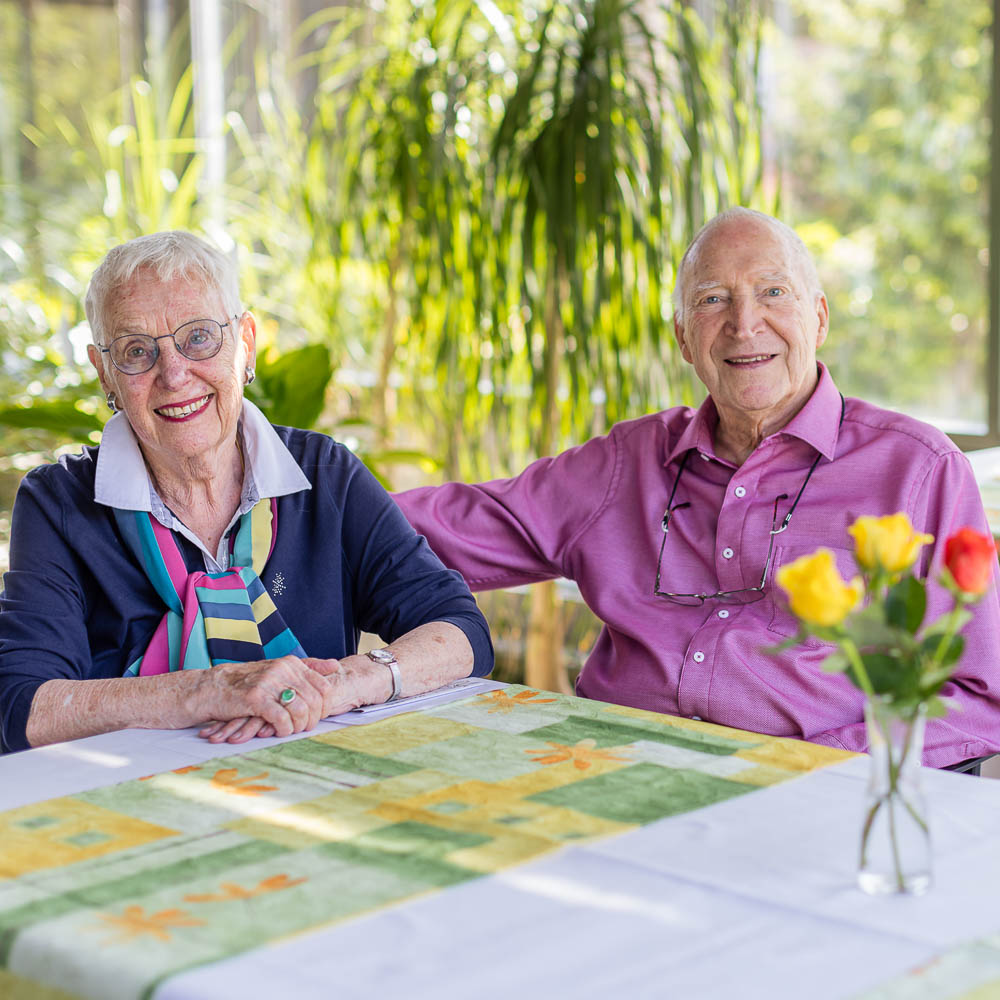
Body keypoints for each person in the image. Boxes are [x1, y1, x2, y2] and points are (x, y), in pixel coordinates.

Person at [395, 207, 1000, 768]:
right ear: (685, 337)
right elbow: (439, 526)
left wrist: (824, 767)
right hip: (612, 775)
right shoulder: (626, 462)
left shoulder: (918, 469)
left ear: (817, 318)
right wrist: (310, 498)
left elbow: (978, 695)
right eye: (713, 300)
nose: (744, 323)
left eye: (772, 292)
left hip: (811, 801)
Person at [0, 232, 492, 753]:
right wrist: (206, 691)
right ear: (105, 374)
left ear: (245, 342)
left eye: (198, 338)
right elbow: (19, 705)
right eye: (137, 351)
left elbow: (461, 632)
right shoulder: (59, 503)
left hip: (315, 780)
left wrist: (336, 686)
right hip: (129, 802)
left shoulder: (324, 474)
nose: (174, 374)